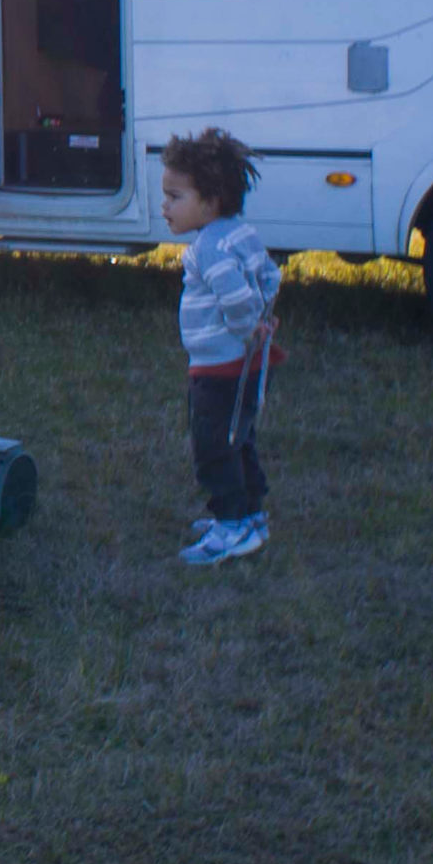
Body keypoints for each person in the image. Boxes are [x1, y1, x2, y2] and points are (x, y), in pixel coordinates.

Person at [160, 126, 279, 567]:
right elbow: (270, 276)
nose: (165, 206)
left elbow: (233, 296)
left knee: (213, 445)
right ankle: (251, 515)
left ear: (209, 201)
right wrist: (263, 316)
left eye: (175, 197)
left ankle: (231, 528)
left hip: (218, 368)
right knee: (240, 436)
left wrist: (249, 323)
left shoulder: (206, 249)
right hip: (243, 366)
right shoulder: (239, 233)